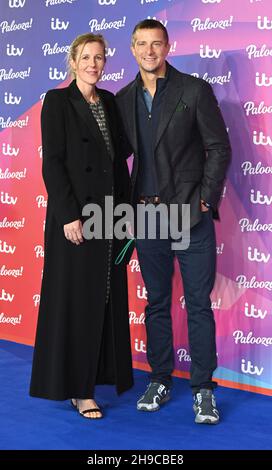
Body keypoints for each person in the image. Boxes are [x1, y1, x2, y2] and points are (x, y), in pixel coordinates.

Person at [116, 19, 231, 424]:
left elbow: (219, 147)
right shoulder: (122, 98)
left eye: (157, 44)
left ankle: (203, 388)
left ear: (168, 46)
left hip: (190, 215)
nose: (150, 51)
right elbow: (115, 161)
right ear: (132, 48)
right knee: (157, 304)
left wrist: (204, 199)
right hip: (146, 218)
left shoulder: (194, 89)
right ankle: (160, 378)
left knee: (199, 305)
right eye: (142, 44)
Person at [30, 33, 133, 419]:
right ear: (72, 62)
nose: (93, 63)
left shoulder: (107, 101)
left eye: (99, 57)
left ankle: (97, 375)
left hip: (109, 217)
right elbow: (52, 163)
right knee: (76, 303)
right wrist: (69, 215)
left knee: (103, 300)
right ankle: (79, 389)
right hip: (76, 219)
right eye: (86, 57)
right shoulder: (57, 102)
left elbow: (118, 157)